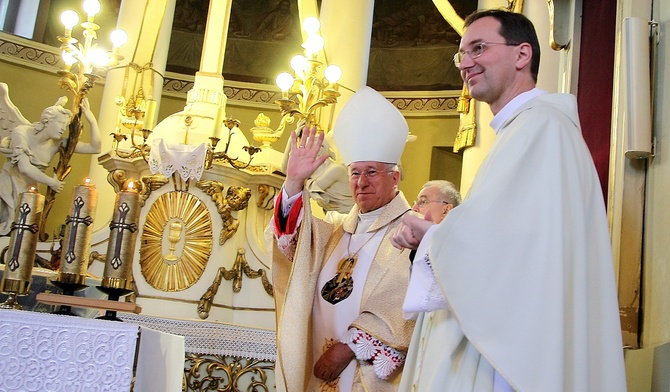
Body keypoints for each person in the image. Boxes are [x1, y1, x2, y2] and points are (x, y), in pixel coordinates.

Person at [392, 9, 626, 392]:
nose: (465, 63)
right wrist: (434, 238)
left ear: (522, 55)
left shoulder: (541, 128)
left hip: (513, 359)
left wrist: (434, 236)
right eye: (461, 53)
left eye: (478, 48)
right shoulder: (522, 132)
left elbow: (515, 257)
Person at [270, 86, 416, 391]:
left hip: (368, 374)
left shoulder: (412, 233)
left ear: (395, 177)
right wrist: (294, 180)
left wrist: (348, 346)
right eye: (354, 173)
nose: (361, 183)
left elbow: (404, 306)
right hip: (318, 368)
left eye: (372, 172)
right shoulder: (334, 231)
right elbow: (291, 245)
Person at [0, 85, 101, 235]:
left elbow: (95, 148)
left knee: (21, 231)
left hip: (29, 189)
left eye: (65, 126)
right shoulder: (21, 132)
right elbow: (24, 167)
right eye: (60, 124)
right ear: (48, 121)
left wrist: (92, 121)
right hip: (8, 183)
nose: (63, 129)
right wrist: (51, 182)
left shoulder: (57, 143)